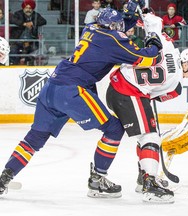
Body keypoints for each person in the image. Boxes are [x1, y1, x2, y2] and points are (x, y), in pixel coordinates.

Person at [0, 0, 163, 200]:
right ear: (112, 27)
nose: (122, 29)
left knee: (34, 139)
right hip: (72, 91)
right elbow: (147, 58)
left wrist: (131, 17)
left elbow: (118, 28)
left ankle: (4, 178)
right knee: (114, 128)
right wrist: (154, 38)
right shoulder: (112, 40)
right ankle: (98, 180)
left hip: (51, 88)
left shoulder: (91, 28)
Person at [106, 12, 188, 203]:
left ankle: (143, 177)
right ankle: (150, 184)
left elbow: (154, 22)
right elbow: (155, 97)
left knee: (146, 136)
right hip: (128, 92)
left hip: (117, 86)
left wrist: (141, 14)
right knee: (151, 136)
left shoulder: (168, 44)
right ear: (187, 63)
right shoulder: (176, 87)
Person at [9, 0, 47, 65]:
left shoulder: (35, 15)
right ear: (23, 8)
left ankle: (27, 63)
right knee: (13, 50)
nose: (28, 10)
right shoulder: (18, 14)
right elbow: (12, 20)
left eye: (30, 8)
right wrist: (24, 24)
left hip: (31, 41)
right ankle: (15, 65)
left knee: (35, 49)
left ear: (32, 9)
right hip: (17, 40)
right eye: (26, 8)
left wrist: (32, 23)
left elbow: (43, 21)